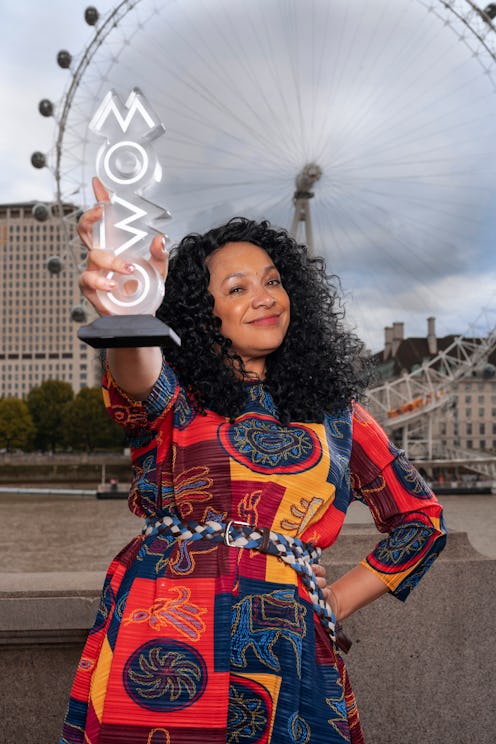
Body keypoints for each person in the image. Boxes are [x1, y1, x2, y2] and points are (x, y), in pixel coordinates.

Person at [61, 179, 447, 743]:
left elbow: (421, 520)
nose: (265, 296)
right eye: (238, 288)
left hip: (284, 642)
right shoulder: (180, 398)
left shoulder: (339, 417)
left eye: (273, 281)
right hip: (166, 637)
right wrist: (130, 311)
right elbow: (136, 369)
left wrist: (335, 598)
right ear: (200, 310)